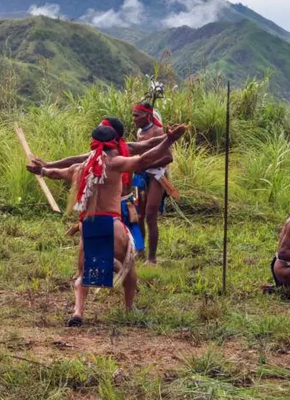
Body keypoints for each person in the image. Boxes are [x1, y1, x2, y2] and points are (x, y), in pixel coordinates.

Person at [32, 123, 186, 326]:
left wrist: (41, 170)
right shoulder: (115, 163)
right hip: (111, 223)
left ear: (93, 144)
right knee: (129, 267)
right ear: (114, 143)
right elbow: (144, 160)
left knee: (84, 270)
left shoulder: (81, 167)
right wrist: (170, 140)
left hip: (87, 226)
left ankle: (78, 311)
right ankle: (129, 307)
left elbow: (57, 173)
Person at [27, 116, 171, 258]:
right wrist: (47, 166)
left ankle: (140, 253)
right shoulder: (97, 157)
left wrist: (170, 137)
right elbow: (73, 161)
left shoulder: (125, 149)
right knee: (114, 240)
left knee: (133, 229)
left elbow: (148, 146)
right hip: (106, 208)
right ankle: (119, 259)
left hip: (124, 202)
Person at [131, 101, 172, 264]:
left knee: (150, 215)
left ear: (147, 116)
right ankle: (140, 251)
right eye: (133, 115)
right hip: (141, 176)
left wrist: (147, 164)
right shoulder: (140, 132)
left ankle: (152, 258)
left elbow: (168, 157)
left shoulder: (158, 131)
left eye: (137, 115)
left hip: (157, 175)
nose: (134, 119)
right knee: (138, 216)